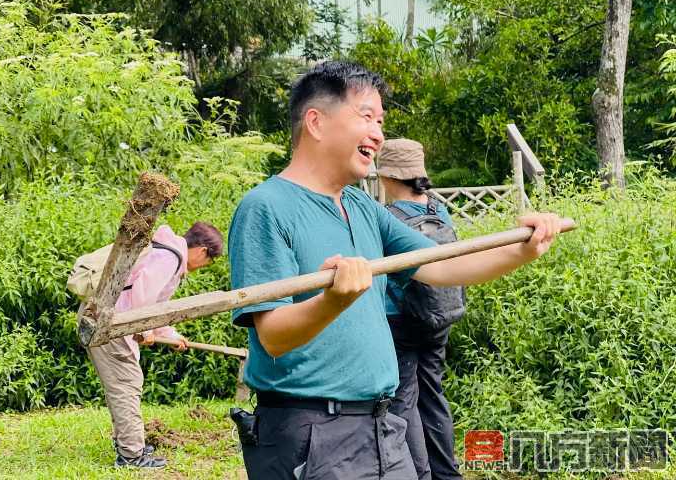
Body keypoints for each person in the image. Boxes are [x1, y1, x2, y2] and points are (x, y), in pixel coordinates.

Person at [228, 61, 562, 480]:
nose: (378, 134)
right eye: (366, 116)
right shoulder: (267, 207)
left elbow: (443, 263)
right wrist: (334, 301)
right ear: (315, 121)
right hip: (311, 433)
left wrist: (523, 248)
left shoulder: (361, 205)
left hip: (383, 426)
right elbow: (273, 335)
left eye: (381, 121)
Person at [86, 221, 223, 470]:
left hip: (110, 319)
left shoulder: (167, 253)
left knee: (125, 383)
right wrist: (143, 328)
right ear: (202, 251)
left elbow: (154, 307)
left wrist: (170, 335)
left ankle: (128, 444)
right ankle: (131, 456)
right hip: (111, 323)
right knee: (126, 384)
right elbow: (142, 296)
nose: (204, 267)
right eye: (209, 261)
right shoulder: (168, 258)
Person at [377, 138, 463, 480]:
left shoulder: (389, 218)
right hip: (440, 316)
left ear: (389, 177)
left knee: (404, 400)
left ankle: (418, 474)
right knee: (433, 394)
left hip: (401, 319)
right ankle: (447, 473)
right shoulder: (438, 210)